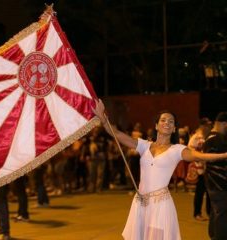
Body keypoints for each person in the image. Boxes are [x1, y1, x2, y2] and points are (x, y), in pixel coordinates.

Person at [93, 99, 227, 240]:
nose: (167, 123)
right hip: (140, 203)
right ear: (156, 125)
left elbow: (198, 155)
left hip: (160, 206)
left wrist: (224, 155)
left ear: (174, 128)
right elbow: (117, 134)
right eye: (163, 120)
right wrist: (103, 117)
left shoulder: (177, 150)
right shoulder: (144, 145)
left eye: (171, 121)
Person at [203, 112, 227, 240]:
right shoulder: (218, 139)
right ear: (224, 124)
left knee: (215, 212)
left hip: (212, 183)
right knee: (222, 215)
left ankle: (213, 235)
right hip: (220, 184)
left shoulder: (209, 137)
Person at [188, 117, 212, 221]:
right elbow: (190, 150)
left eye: (209, 125)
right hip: (199, 168)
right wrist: (198, 159)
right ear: (202, 125)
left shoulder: (209, 135)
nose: (209, 126)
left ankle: (210, 212)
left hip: (208, 168)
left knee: (209, 192)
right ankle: (197, 213)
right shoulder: (196, 137)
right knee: (200, 192)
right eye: (207, 125)